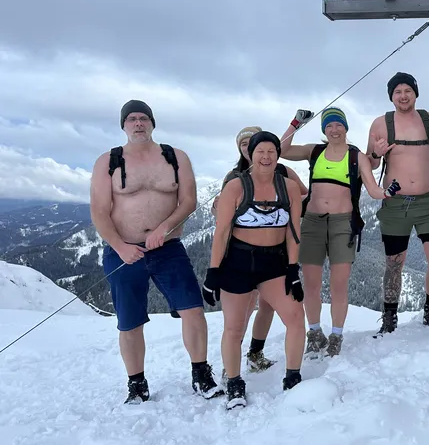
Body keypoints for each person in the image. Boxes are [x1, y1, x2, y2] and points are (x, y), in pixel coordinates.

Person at [89, 100, 220, 404]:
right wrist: (121, 247)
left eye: (143, 118)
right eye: (132, 119)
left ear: (152, 123)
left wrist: (165, 228)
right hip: (123, 250)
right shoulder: (108, 161)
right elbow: (99, 211)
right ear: (124, 125)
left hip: (168, 248)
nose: (138, 124)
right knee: (130, 320)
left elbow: (188, 200)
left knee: (192, 310)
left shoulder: (175, 157)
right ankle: (137, 384)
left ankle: (200, 373)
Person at [281, 107, 401, 355]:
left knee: (339, 284)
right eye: (329, 126)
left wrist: (387, 192)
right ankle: (314, 332)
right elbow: (281, 150)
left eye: (338, 125)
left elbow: (372, 189)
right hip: (312, 221)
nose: (334, 130)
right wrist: (295, 124)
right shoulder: (315, 151)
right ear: (324, 129)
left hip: (343, 223)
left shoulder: (357, 156)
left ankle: (336, 336)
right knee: (311, 284)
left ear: (346, 128)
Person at [203, 131, 307, 409]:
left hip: (274, 262)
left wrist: (293, 269)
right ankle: (235, 382)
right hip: (238, 262)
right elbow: (222, 230)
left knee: (296, 317)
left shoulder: (289, 187)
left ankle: (293, 377)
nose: (266, 156)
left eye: (271, 151)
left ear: (277, 154)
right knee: (235, 327)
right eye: (260, 151)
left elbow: (294, 231)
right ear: (250, 154)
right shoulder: (236, 186)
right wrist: (213, 272)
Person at [366, 73, 429, 334]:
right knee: (394, 262)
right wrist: (377, 151)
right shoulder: (381, 123)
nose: (403, 95)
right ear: (391, 96)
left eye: (407, 90)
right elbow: (372, 162)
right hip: (396, 202)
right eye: (397, 91)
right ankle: (390, 316)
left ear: (415, 93)